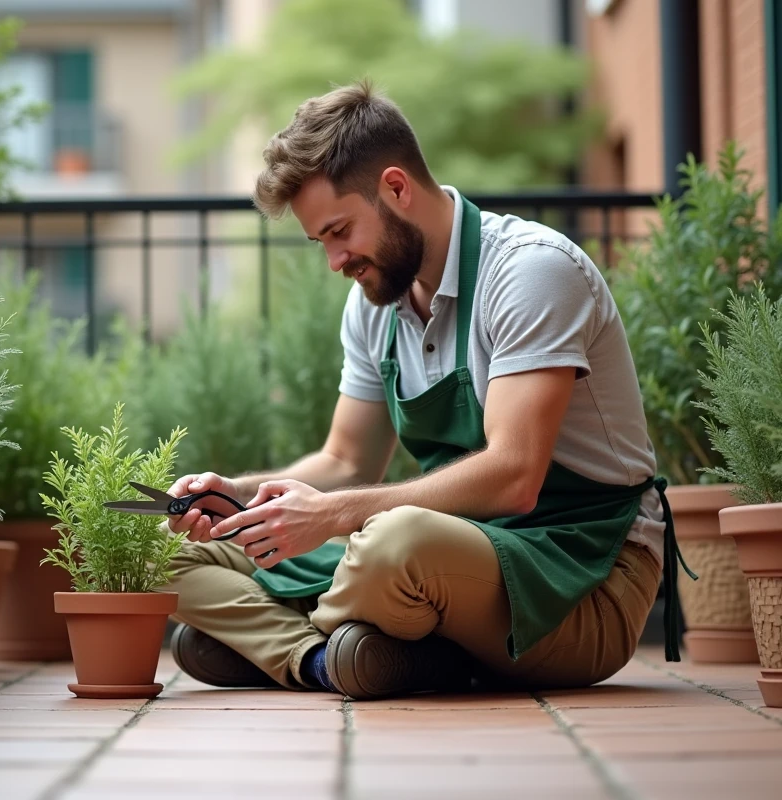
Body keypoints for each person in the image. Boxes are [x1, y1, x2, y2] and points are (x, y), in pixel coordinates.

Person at [161, 79, 691, 700]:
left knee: (393, 540)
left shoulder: (530, 271)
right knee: (162, 556)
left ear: (395, 188)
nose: (335, 262)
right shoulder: (374, 305)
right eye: (321, 243)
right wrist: (240, 497)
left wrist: (332, 516)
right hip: (450, 554)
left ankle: (281, 645)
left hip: (581, 577)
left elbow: (515, 475)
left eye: (339, 231)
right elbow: (346, 461)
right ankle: (328, 661)